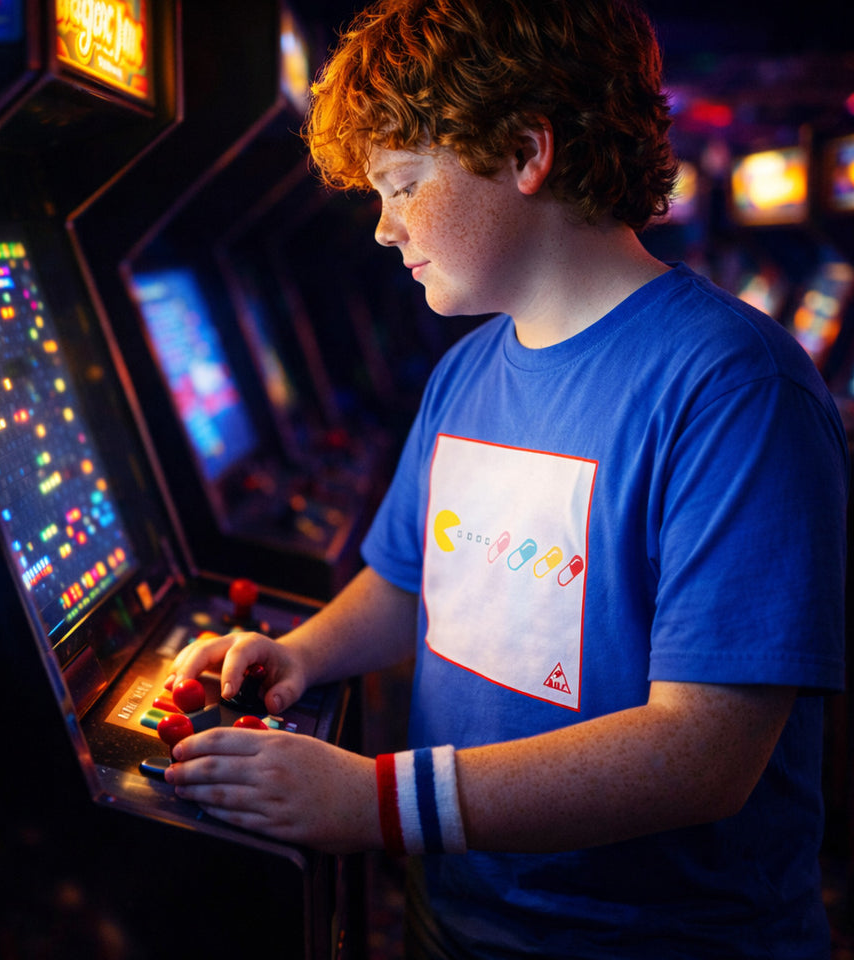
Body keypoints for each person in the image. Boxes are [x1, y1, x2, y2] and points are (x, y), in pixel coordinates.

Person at [164, 0, 849, 956]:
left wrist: (375, 801)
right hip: (457, 913)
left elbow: (705, 753)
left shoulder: (734, 387)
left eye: (402, 186)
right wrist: (306, 654)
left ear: (527, 152)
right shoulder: (469, 367)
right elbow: (412, 583)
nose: (383, 231)